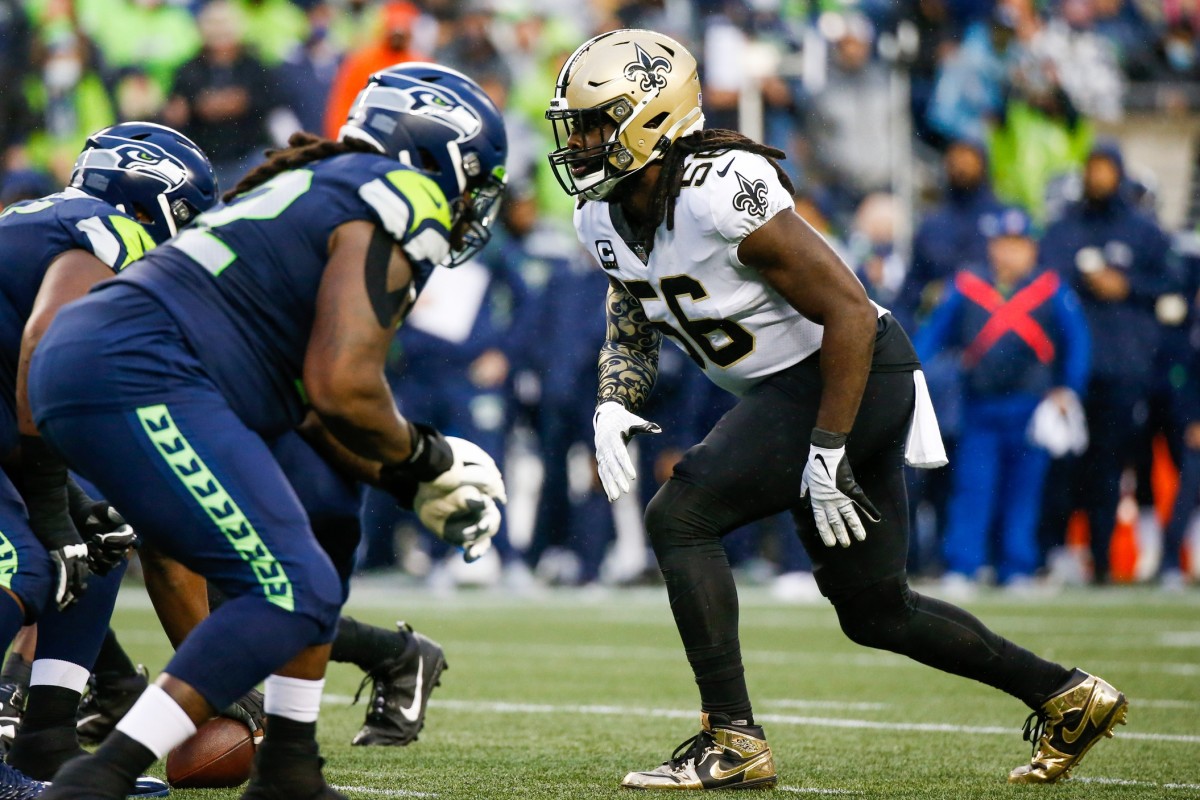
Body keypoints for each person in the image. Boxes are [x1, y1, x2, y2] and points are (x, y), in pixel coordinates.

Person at [545, 28, 1128, 790]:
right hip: (809, 384)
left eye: (595, 122)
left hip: (847, 371)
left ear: (652, 117)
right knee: (875, 610)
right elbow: (633, 307)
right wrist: (614, 401)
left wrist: (827, 447)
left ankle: (732, 739)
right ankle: (1067, 696)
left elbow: (850, 311)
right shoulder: (603, 217)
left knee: (680, 515)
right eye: (577, 126)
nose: (581, 142)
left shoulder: (722, 186)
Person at [27, 63, 508, 800]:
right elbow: (343, 385)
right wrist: (430, 456)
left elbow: (319, 415)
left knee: (321, 529)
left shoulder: (306, 186)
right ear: (442, 160)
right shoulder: (400, 193)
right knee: (288, 586)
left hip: (115, 364)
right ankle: (98, 777)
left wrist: (406, 476)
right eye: (473, 180)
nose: (469, 203)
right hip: (142, 369)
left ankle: (288, 766)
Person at [0, 121, 220, 798]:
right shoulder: (110, 231)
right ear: (151, 195)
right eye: (189, 215)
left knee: (97, 534)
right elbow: (41, 339)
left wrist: (69, 505)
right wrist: (46, 502)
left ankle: (47, 739)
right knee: (26, 559)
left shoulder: (49, 221)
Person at [914, 207, 1091, 589]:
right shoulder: (966, 286)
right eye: (1003, 244)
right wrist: (914, 377)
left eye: (1018, 244)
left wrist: (1069, 388)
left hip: (1030, 407)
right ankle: (964, 565)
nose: (1010, 253)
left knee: (1023, 493)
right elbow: (930, 337)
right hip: (980, 407)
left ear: (1031, 248)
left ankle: (1017, 566)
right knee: (972, 489)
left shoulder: (1050, 288)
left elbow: (1077, 343)